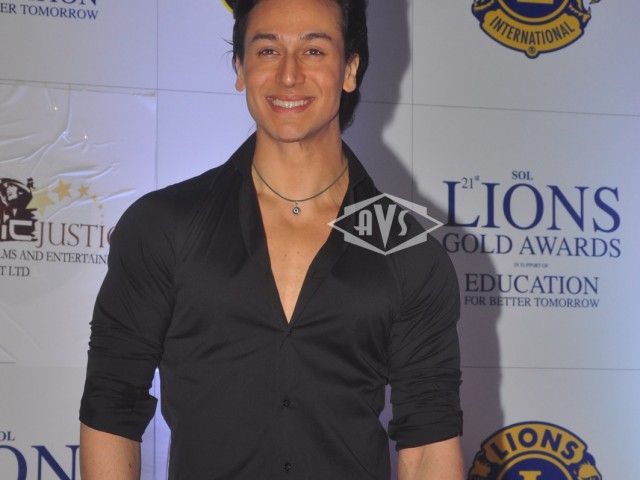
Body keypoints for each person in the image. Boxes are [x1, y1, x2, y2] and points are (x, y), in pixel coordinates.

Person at [79, 0, 464, 478]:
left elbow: (428, 443)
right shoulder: (164, 224)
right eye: (267, 51)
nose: (288, 74)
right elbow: (112, 405)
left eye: (314, 50)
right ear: (240, 69)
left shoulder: (406, 247)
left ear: (350, 69)